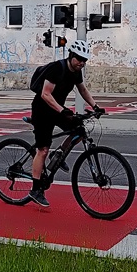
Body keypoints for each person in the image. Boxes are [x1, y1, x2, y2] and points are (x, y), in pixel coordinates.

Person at [27, 40, 102, 207]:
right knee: (43, 149)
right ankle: (36, 189)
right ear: (71, 56)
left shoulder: (76, 71)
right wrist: (62, 111)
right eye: (79, 59)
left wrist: (95, 106)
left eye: (85, 60)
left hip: (57, 108)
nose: (82, 63)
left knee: (78, 129)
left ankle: (58, 154)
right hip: (42, 109)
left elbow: (82, 90)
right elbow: (45, 94)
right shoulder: (56, 69)